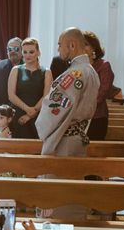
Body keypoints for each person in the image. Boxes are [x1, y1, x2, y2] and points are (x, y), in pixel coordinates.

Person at [36, 28, 98, 156]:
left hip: (64, 140)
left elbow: (57, 106)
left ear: (72, 45)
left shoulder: (74, 74)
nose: (58, 49)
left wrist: (41, 127)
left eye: (60, 44)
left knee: (58, 174)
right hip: (78, 135)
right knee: (73, 175)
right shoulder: (91, 70)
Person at [7, 38, 52, 139]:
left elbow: (47, 96)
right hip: (19, 116)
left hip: (39, 117)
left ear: (38, 52)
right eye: (25, 52)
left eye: (31, 52)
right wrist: (27, 109)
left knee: (37, 151)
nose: (27, 55)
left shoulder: (47, 72)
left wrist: (30, 114)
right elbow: (11, 95)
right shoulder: (16, 70)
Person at [82, 31, 115, 140]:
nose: (83, 47)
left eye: (86, 44)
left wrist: (83, 107)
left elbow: (103, 91)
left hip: (97, 117)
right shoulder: (77, 66)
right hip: (77, 118)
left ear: (94, 47)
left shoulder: (104, 65)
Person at [0, 37, 23, 113]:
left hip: (22, 112)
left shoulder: (29, 67)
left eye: (16, 49)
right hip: (2, 113)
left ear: (22, 50)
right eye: (9, 49)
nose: (12, 51)